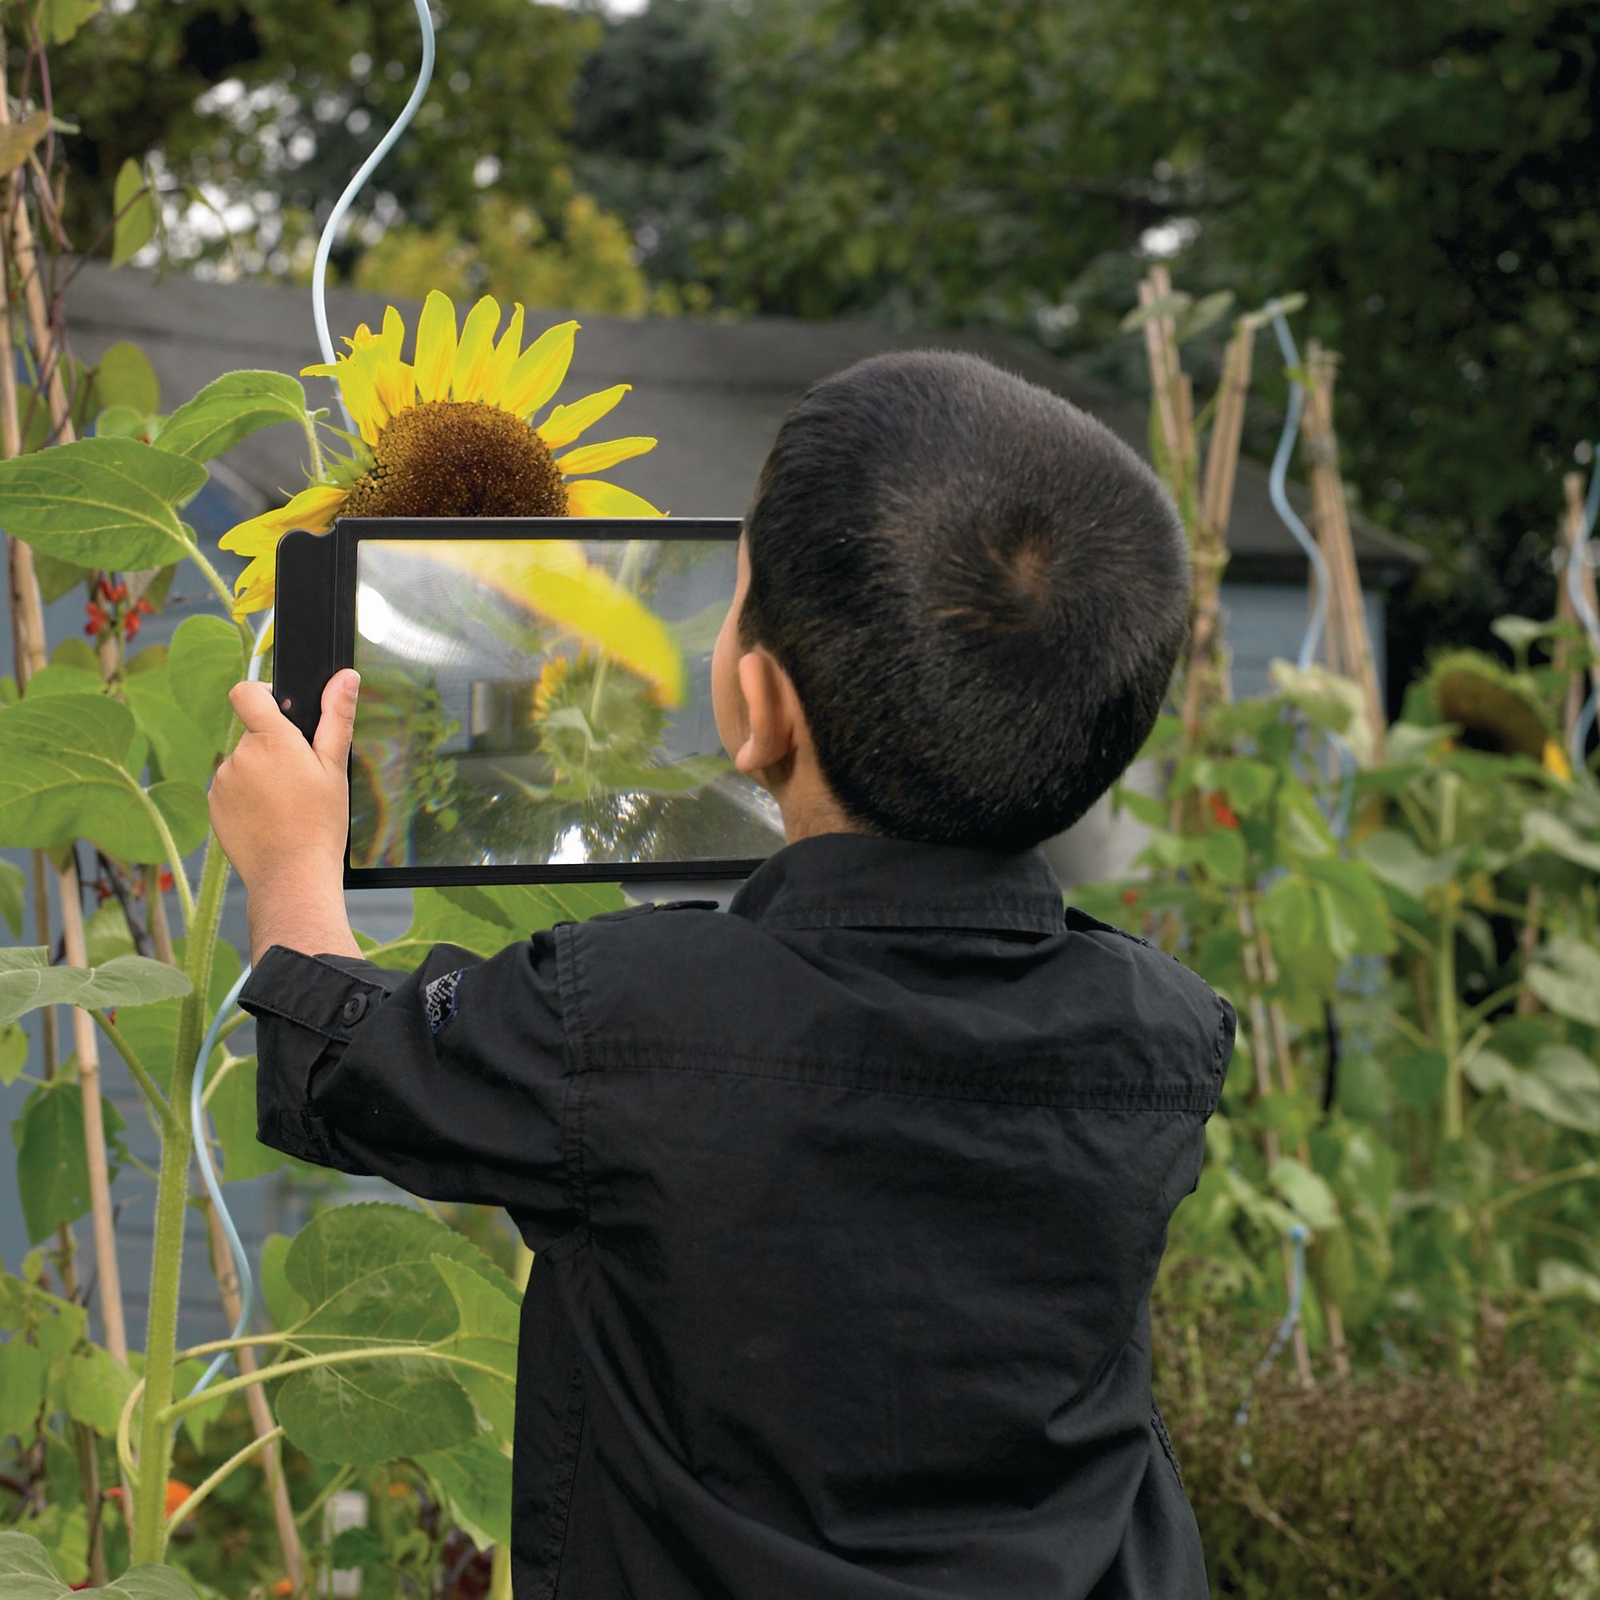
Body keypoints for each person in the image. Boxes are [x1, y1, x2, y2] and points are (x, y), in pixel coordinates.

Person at [211, 349, 1236, 1600]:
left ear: (757, 709)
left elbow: (343, 1062)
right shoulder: (1162, 1040)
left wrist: (293, 859)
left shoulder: (616, 1023)